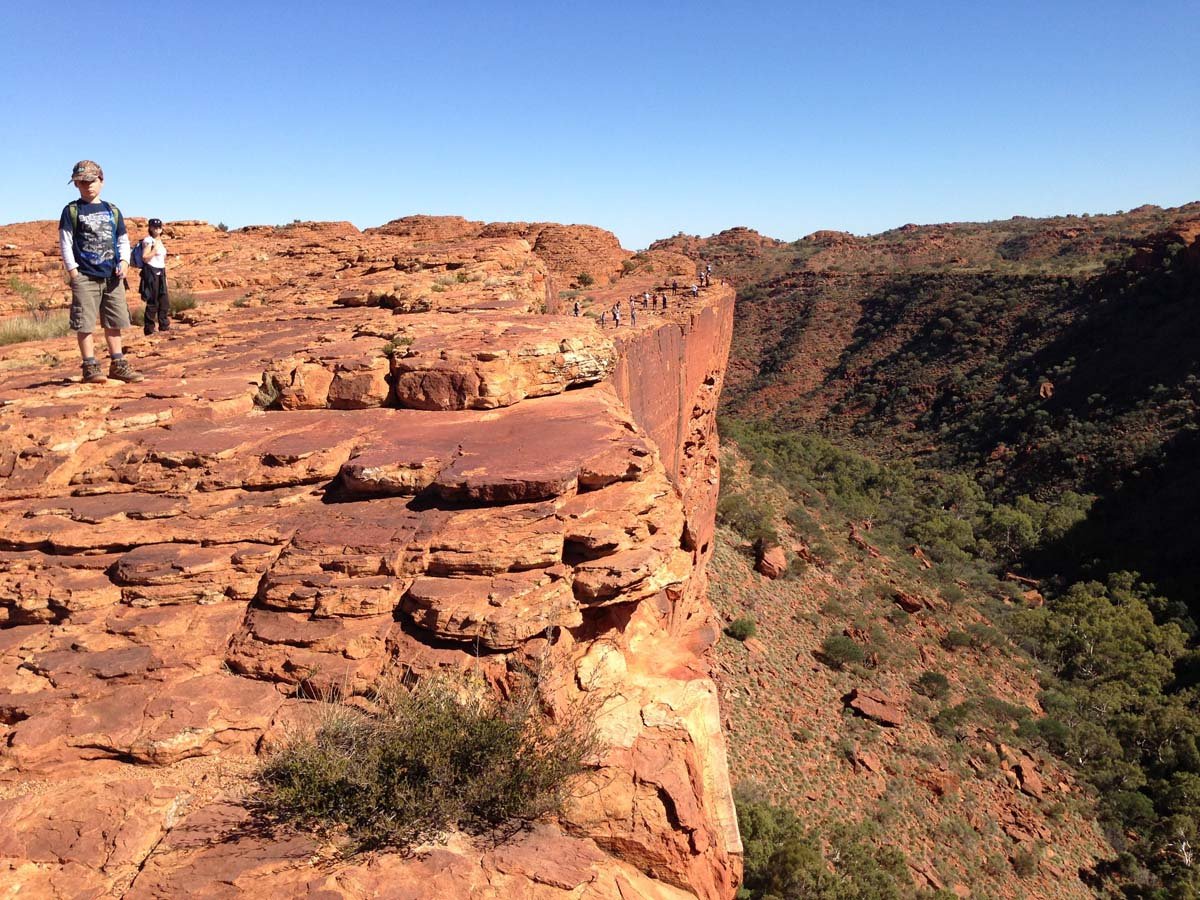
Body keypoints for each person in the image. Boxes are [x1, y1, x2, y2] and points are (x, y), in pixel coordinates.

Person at [59, 160, 143, 383]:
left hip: (112, 277)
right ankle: (90, 366)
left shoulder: (112, 210)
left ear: (102, 181)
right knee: (85, 323)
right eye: (82, 182)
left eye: (92, 181)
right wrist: (74, 273)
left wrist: (124, 262)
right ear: (76, 184)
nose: (87, 185)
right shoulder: (72, 211)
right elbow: (66, 243)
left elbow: (122, 239)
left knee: (114, 322)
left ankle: (118, 364)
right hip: (85, 276)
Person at [139, 218, 170, 335]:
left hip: (161, 272)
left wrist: (165, 279)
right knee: (153, 302)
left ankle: (164, 326)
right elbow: (145, 257)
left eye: (159, 227)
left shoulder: (160, 241)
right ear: (150, 228)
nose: (157, 229)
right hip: (151, 272)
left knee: (164, 301)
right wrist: (154, 251)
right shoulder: (148, 240)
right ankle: (149, 330)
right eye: (155, 227)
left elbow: (162, 261)